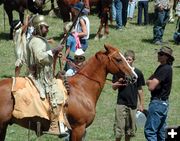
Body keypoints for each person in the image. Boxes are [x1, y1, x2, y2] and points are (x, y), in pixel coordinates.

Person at [26, 15, 69, 136]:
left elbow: (47, 57)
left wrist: (55, 54)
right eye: (45, 27)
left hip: (46, 75)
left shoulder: (40, 40)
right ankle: (54, 126)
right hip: (39, 77)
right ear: (38, 28)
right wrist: (54, 50)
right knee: (58, 94)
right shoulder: (35, 41)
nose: (47, 29)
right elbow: (40, 57)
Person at [112, 50, 145, 141]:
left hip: (133, 105)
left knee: (129, 130)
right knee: (119, 130)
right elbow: (113, 87)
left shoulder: (138, 73)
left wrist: (141, 104)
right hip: (121, 103)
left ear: (133, 60)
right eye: (126, 59)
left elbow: (140, 89)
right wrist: (119, 81)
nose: (128, 61)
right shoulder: (119, 72)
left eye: (129, 59)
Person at [144, 46, 174, 141]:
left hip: (157, 103)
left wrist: (151, 82)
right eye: (158, 53)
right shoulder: (163, 68)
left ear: (167, 57)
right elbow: (148, 81)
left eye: (161, 54)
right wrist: (151, 82)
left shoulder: (164, 69)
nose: (158, 55)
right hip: (163, 104)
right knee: (161, 133)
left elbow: (151, 86)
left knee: (150, 131)